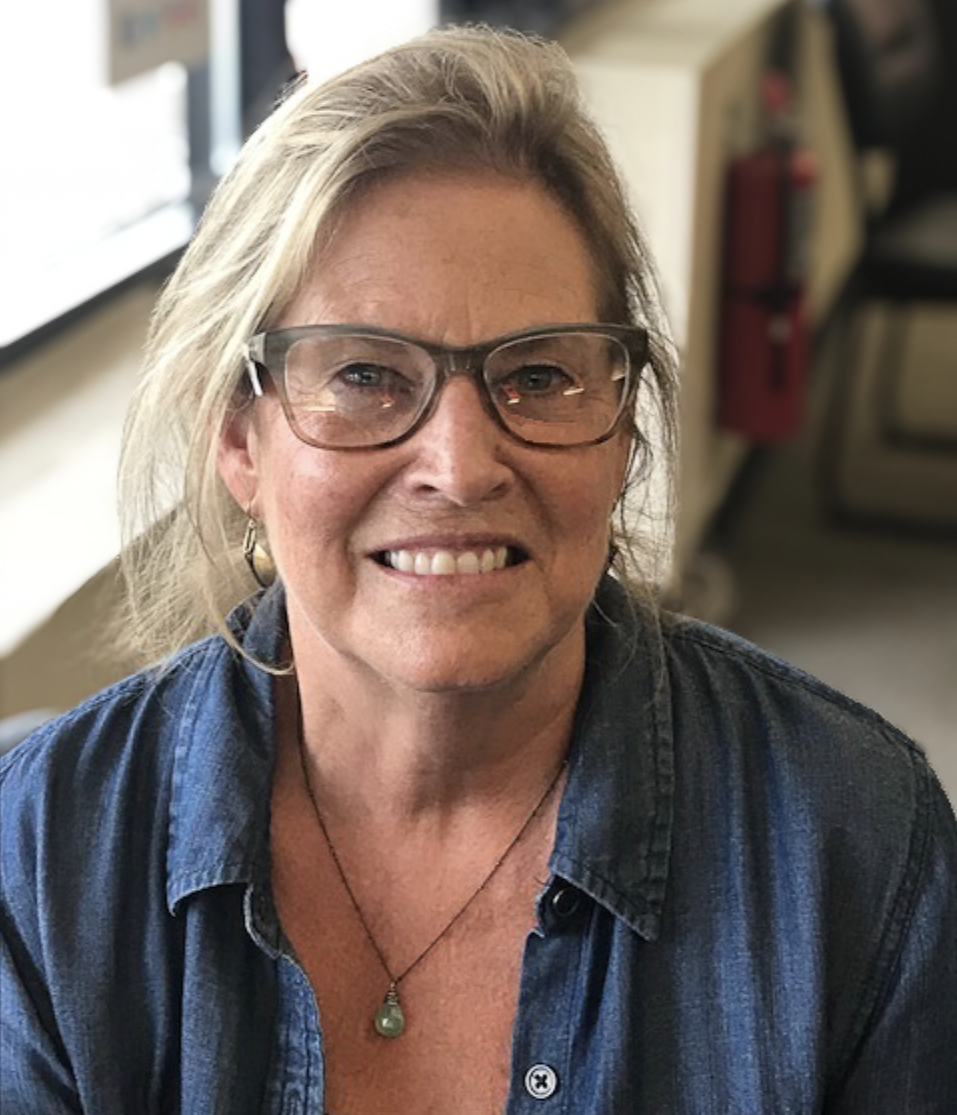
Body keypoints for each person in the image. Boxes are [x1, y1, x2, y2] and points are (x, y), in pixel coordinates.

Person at [1, 25, 955, 1114]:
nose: (458, 468)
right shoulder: (41, 862)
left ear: (621, 429)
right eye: (365, 374)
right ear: (238, 438)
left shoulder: (858, 847)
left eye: (539, 376)